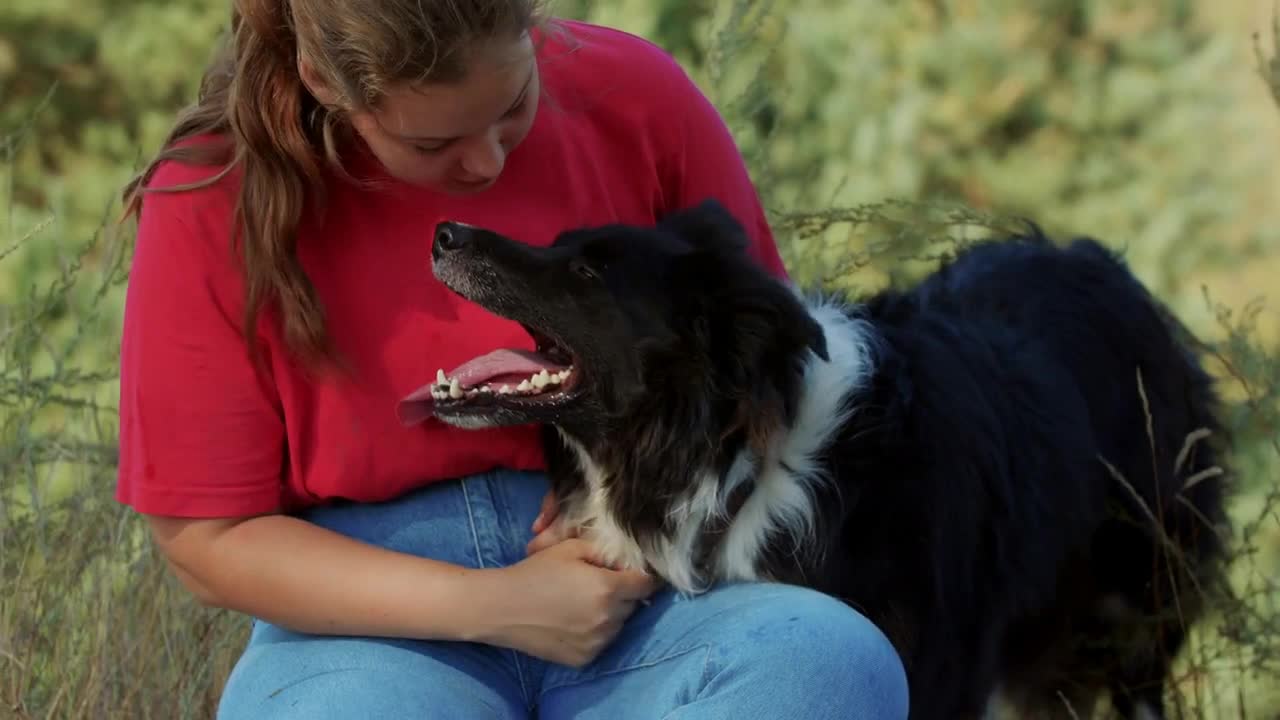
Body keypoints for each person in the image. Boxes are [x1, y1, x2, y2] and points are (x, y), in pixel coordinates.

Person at [115, 0, 910, 717]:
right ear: (326, 79)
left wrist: (639, 537)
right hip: (367, 632)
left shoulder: (637, 93)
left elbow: (763, 371)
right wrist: (492, 603)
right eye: (434, 141)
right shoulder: (209, 192)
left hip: (653, 593)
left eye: (514, 107)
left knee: (834, 666)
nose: (488, 163)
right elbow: (208, 542)